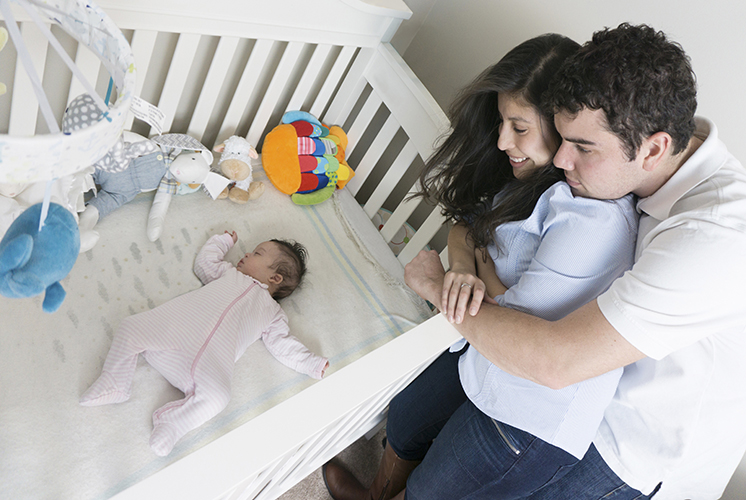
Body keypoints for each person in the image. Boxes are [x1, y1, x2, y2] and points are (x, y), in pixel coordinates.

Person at [406, 23, 746, 500]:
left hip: (634, 452)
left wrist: (440, 288)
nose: (562, 160)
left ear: (654, 149)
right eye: (564, 139)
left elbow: (554, 361)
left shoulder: (713, 237)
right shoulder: (646, 135)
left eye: (583, 148)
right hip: (585, 395)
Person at [323, 33, 640, 500]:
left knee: (434, 489)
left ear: (561, 124)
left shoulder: (589, 220)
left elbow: (513, 324)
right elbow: (465, 229)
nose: (500, 140)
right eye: (500, 122)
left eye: (518, 126)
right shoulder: (528, 180)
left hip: (526, 410)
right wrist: (466, 268)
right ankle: (376, 493)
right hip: (480, 347)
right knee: (408, 415)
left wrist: (438, 285)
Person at [80, 231, 328, 456]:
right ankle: (115, 381)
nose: (247, 253)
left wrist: (312, 364)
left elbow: (284, 345)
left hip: (208, 365)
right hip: (173, 336)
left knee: (219, 396)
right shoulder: (228, 274)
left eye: (257, 253)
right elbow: (205, 263)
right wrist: (221, 242)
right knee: (131, 327)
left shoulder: (272, 313)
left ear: (275, 277)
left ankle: (173, 423)